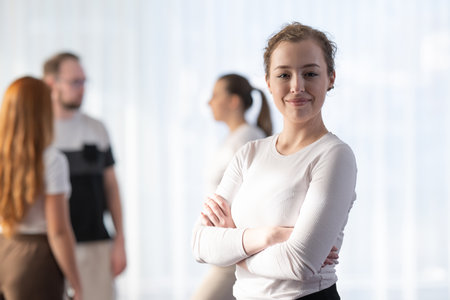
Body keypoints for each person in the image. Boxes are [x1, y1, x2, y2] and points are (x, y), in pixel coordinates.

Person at [192, 22, 357, 299]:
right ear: (268, 82)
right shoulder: (249, 153)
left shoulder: (334, 155)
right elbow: (200, 244)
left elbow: (299, 263)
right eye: (283, 75)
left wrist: (234, 251)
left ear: (330, 78)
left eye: (310, 73)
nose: (297, 86)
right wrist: (272, 235)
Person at [43, 52, 126, 300]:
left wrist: (120, 240)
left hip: (95, 245)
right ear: (51, 83)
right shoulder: (40, 134)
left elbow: (111, 187)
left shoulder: (96, 129)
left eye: (84, 82)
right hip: (48, 247)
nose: (82, 89)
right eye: (74, 82)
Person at [0, 76, 82, 300]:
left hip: (4, 249)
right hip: (36, 260)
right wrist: (77, 283)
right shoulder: (51, 160)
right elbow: (58, 231)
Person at [192, 74, 272, 300]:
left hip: (237, 246)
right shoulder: (234, 139)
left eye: (216, 95)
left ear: (234, 101)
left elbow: (257, 198)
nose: (209, 102)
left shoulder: (248, 140)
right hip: (224, 246)